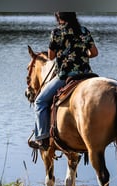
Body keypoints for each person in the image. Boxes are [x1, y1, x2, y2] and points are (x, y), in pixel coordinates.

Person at [29, 12, 98, 150]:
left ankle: (42, 139)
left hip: (65, 75)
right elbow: (94, 53)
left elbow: (51, 56)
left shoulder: (56, 32)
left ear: (59, 18)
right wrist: (82, 54)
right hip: (86, 74)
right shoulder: (84, 30)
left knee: (40, 101)